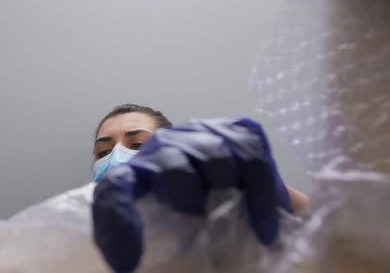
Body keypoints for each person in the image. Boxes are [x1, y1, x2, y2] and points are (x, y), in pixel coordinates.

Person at [91, 103, 309, 272]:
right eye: (103, 153)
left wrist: (280, 197)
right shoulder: (79, 244)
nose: (116, 156)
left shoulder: (220, 224)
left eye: (138, 144)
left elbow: (334, 239)